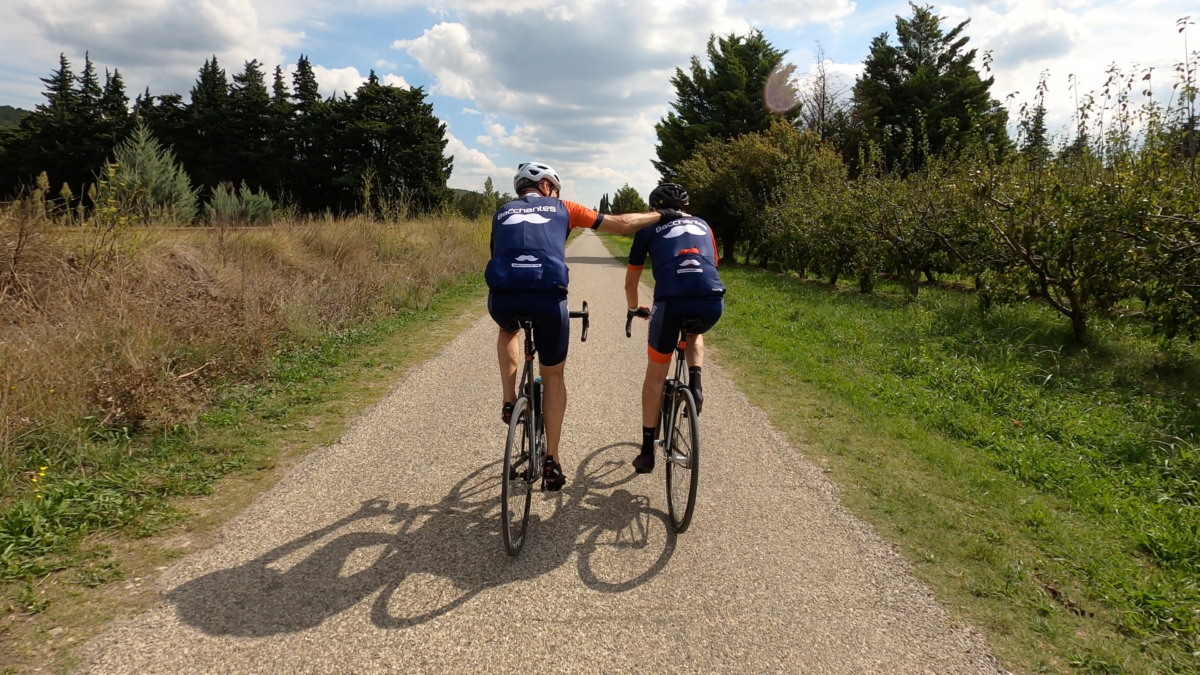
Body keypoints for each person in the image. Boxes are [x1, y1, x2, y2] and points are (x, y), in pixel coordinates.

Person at [487, 162, 678, 491]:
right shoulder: (565, 208)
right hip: (548, 298)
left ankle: (508, 402)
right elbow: (618, 225)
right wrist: (661, 216)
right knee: (554, 375)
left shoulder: (502, 212)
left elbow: (498, 252)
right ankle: (552, 460)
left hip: (504, 297)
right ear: (547, 187)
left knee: (508, 329)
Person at [625, 183, 725, 473]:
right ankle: (696, 385)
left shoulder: (648, 227)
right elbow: (711, 265)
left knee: (655, 376)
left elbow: (631, 283)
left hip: (670, 304)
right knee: (695, 332)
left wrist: (634, 309)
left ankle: (646, 452)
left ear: (655, 207)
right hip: (711, 301)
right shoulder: (704, 225)